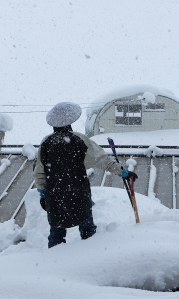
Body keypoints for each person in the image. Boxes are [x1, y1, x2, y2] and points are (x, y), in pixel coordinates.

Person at [33, 102, 138, 248]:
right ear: (70, 123)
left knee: (57, 233)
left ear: (54, 125)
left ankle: (54, 263)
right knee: (87, 230)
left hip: (55, 195)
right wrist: (123, 172)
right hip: (79, 193)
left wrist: (43, 194)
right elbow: (102, 160)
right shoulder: (79, 140)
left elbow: (39, 172)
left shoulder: (46, 142)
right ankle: (90, 258)